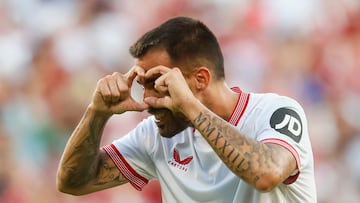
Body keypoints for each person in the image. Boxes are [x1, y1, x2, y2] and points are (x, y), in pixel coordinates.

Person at [56, 16, 317, 203]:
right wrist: (97, 113)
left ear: (200, 79)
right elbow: (73, 183)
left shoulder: (276, 111)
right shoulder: (155, 136)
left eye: (158, 83)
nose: (147, 99)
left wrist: (190, 106)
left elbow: (266, 174)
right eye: (142, 85)